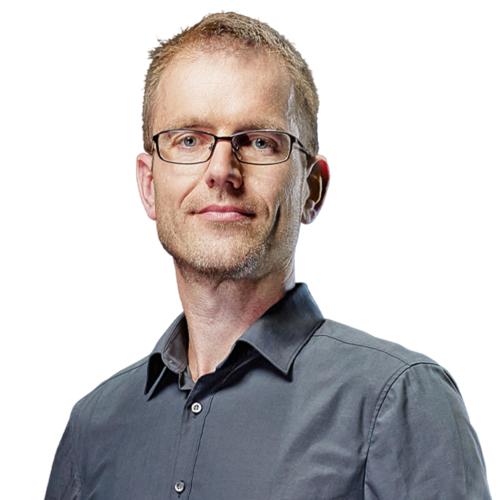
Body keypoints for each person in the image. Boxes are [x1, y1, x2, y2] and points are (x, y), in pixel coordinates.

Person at [43, 9, 492, 499]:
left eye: (259, 141)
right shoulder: (92, 427)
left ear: (312, 189)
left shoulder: (399, 402)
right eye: (189, 139)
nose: (221, 171)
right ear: (148, 186)